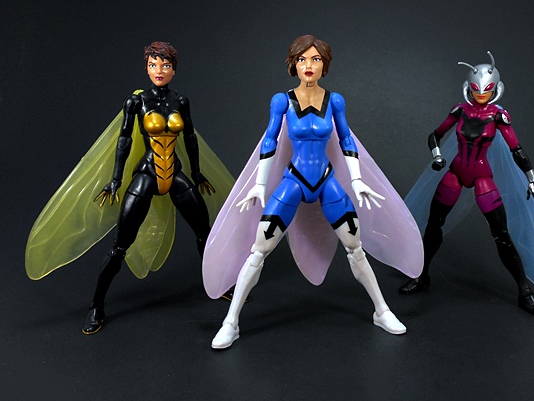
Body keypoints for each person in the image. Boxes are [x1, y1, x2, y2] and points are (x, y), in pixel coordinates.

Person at [205, 35, 423, 349]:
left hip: (325, 180)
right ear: (293, 64)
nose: (309, 65)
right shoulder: (282, 101)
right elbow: (270, 140)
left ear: (325, 65)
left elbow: (346, 139)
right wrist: (260, 184)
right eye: (303, 59)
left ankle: (382, 311)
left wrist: (357, 180)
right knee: (259, 249)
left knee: (355, 247)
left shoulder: (334, 101)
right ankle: (231, 322)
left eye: (316, 59)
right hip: (294, 181)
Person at [25, 42, 233, 334]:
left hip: (174, 173)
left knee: (204, 233)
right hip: (147, 173)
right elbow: (124, 139)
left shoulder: (180, 101)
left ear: (174, 69)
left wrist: (197, 172)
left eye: (165, 65)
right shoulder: (137, 101)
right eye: (153, 65)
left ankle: (219, 283)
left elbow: (189, 137)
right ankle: (96, 306)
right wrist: (116, 179)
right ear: (146, 68)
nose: (159, 70)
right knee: (120, 246)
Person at [400, 51, 534, 317]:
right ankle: (421, 275)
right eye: (476, 90)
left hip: (481, 176)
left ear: (496, 88)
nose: (481, 95)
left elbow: (517, 150)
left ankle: (525, 294)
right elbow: (435, 135)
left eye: (486, 90)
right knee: (434, 224)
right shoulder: (459, 111)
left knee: (501, 234)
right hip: (455, 172)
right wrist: (437, 156)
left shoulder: (498, 116)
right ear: (469, 87)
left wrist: (533, 180)